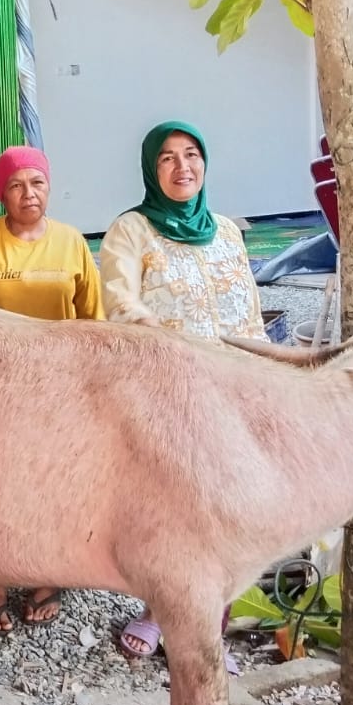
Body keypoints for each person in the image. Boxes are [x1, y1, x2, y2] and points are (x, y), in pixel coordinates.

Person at [101, 120, 265, 670]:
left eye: (191, 155)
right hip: (167, 389)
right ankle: (158, 609)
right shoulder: (132, 230)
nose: (181, 167)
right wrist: (181, 353)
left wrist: (263, 370)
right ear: (152, 168)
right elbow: (119, 304)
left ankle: (211, 614)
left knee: (225, 503)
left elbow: (249, 311)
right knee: (172, 505)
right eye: (167, 158)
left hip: (234, 387)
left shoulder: (226, 231)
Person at [0, 145, 104, 633]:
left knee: (54, 484)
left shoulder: (72, 242)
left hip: (59, 390)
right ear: (1, 194)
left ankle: (48, 577)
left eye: (36, 182)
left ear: (49, 187)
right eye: (15, 185)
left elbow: (93, 320)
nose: (27, 193)